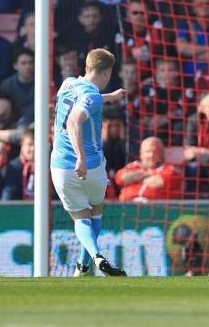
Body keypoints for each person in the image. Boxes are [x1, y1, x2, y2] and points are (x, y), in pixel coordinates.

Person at [49, 48, 127, 276]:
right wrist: (81, 157)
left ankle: (86, 263)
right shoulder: (91, 96)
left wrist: (110, 97)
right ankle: (93, 258)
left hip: (62, 167)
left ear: (87, 67)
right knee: (96, 213)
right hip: (91, 165)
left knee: (80, 217)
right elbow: (75, 120)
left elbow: (87, 100)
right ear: (108, 72)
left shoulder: (67, 83)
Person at [115, 137, 183, 202]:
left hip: (155, 208)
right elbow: (121, 178)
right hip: (127, 206)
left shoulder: (169, 168)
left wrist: (135, 179)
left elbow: (159, 182)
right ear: (141, 154)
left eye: (155, 152)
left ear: (161, 154)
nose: (151, 155)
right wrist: (149, 173)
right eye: (148, 152)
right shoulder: (132, 166)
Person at [0, 48, 33, 124]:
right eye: (23, 63)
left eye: (30, 63)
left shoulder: (41, 84)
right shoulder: (6, 85)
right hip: (11, 124)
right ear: (15, 66)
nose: (28, 66)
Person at [1, 128, 34, 200]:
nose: (33, 149)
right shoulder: (13, 167)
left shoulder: (47, 167)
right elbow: (8, 196)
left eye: (36, 145)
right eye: (30, 144)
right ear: (22, 144)